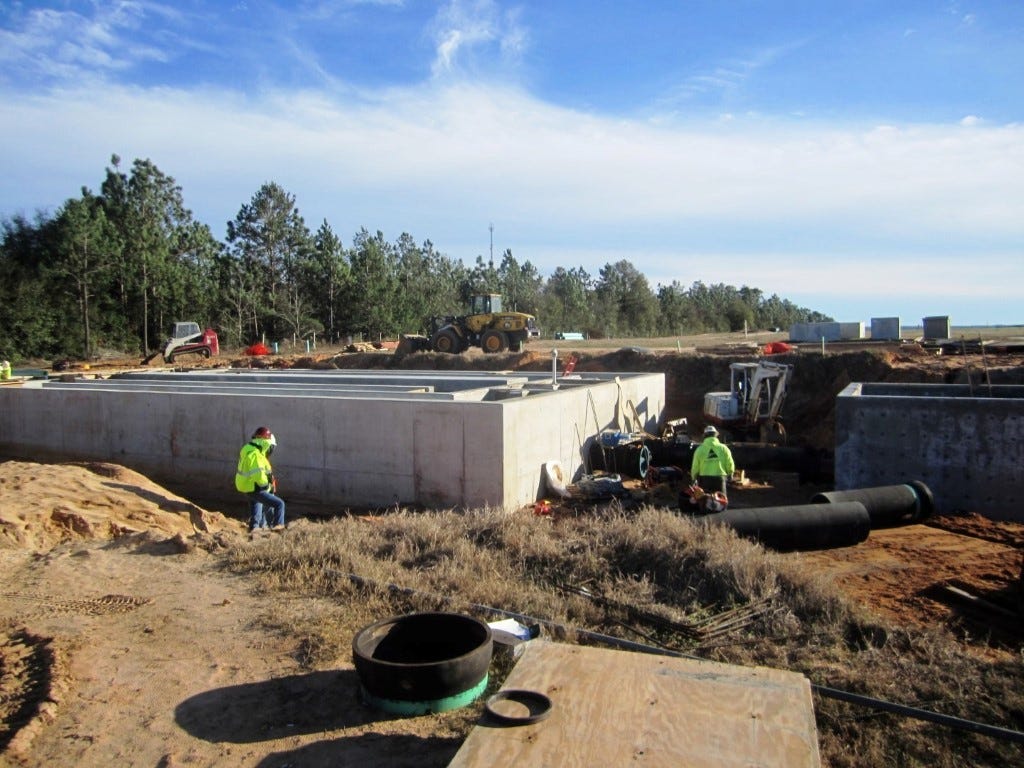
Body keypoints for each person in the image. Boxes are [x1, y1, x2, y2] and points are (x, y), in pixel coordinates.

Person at [235, 426, 286, 532]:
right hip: (254, 487)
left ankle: (255, 530)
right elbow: (258, 475)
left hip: (248, 486)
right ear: (267, 444)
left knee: (257, 506)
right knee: (279, 504)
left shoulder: (249, 449)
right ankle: (278, 530)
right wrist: (267, 486)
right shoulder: (256, 454)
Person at [691, 425, 736, 501]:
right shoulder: (724, 448)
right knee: (721, 502)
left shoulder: (699, 450)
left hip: (705, 480)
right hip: (720, 479)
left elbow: (695, 466)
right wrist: (730, 473)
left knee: (705, 503)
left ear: (705, 436)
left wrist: (693, 478)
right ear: (716, 435)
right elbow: (730, 463)